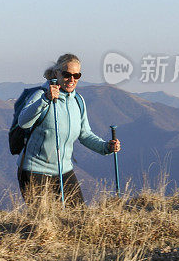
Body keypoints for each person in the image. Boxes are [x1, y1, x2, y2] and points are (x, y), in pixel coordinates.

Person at [17, 53, 120, 207]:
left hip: (64, 171)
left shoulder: (78, 101)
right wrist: (45, 99)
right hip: (34, 171)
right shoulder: (40, 95)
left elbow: (84, 134)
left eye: (76, 75)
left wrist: (106, 147)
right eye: (67, 74)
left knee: (78, 219)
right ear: (57, 73)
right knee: (42, 223)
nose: (72, 79)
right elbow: (23, 122)